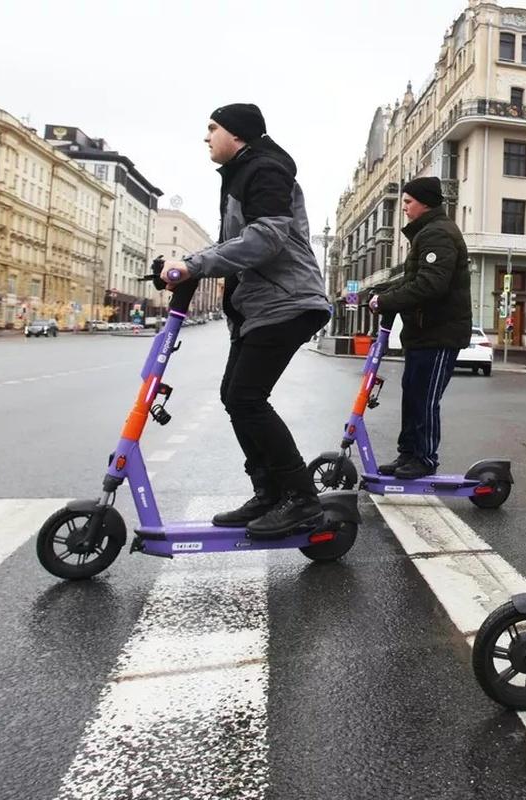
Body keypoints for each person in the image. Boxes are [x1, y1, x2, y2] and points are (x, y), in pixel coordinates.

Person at [162, 103, 331, 538]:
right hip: (261, 306)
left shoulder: (266, 170)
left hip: (288, 301)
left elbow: (266, 238)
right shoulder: (241, 174)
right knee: (235, 396)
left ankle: (300, 498)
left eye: (212, 128)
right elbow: (237, 244)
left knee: (246, 397)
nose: (207, 136)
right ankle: (270, 491)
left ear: (236, 134)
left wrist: (196, 263)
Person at [367, 176, 471, 479]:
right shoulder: (427, 233)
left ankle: (424, 459)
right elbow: (413, 280)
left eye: (408, 203)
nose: (404, 209)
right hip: (423, 332)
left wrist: (386, 302)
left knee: (424, 398)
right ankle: (408, 455)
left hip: (439, 333)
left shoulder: (438, 234)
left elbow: (430, 285)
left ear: (424, 203)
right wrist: (384, 295)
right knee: (412, 394)